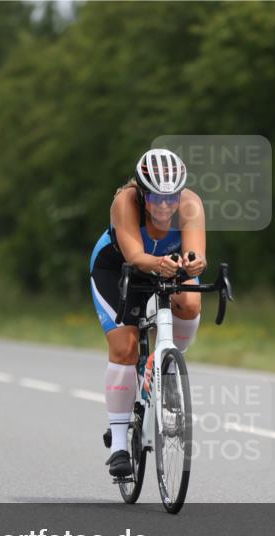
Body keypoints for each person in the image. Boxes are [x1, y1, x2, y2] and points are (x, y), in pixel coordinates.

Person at [89, 148, 207, 477]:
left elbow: (196, 254)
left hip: (166, 266)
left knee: (191, 303)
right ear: (142, 193)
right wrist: (160, 264)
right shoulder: (125, 202)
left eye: (171, 197)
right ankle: (119, 446)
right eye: (156, 197)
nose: (165, 206)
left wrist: (195, 263)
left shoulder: (191, 204)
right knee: (125, 348)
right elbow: (136, 257)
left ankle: (166, 365)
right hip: (118, 269)